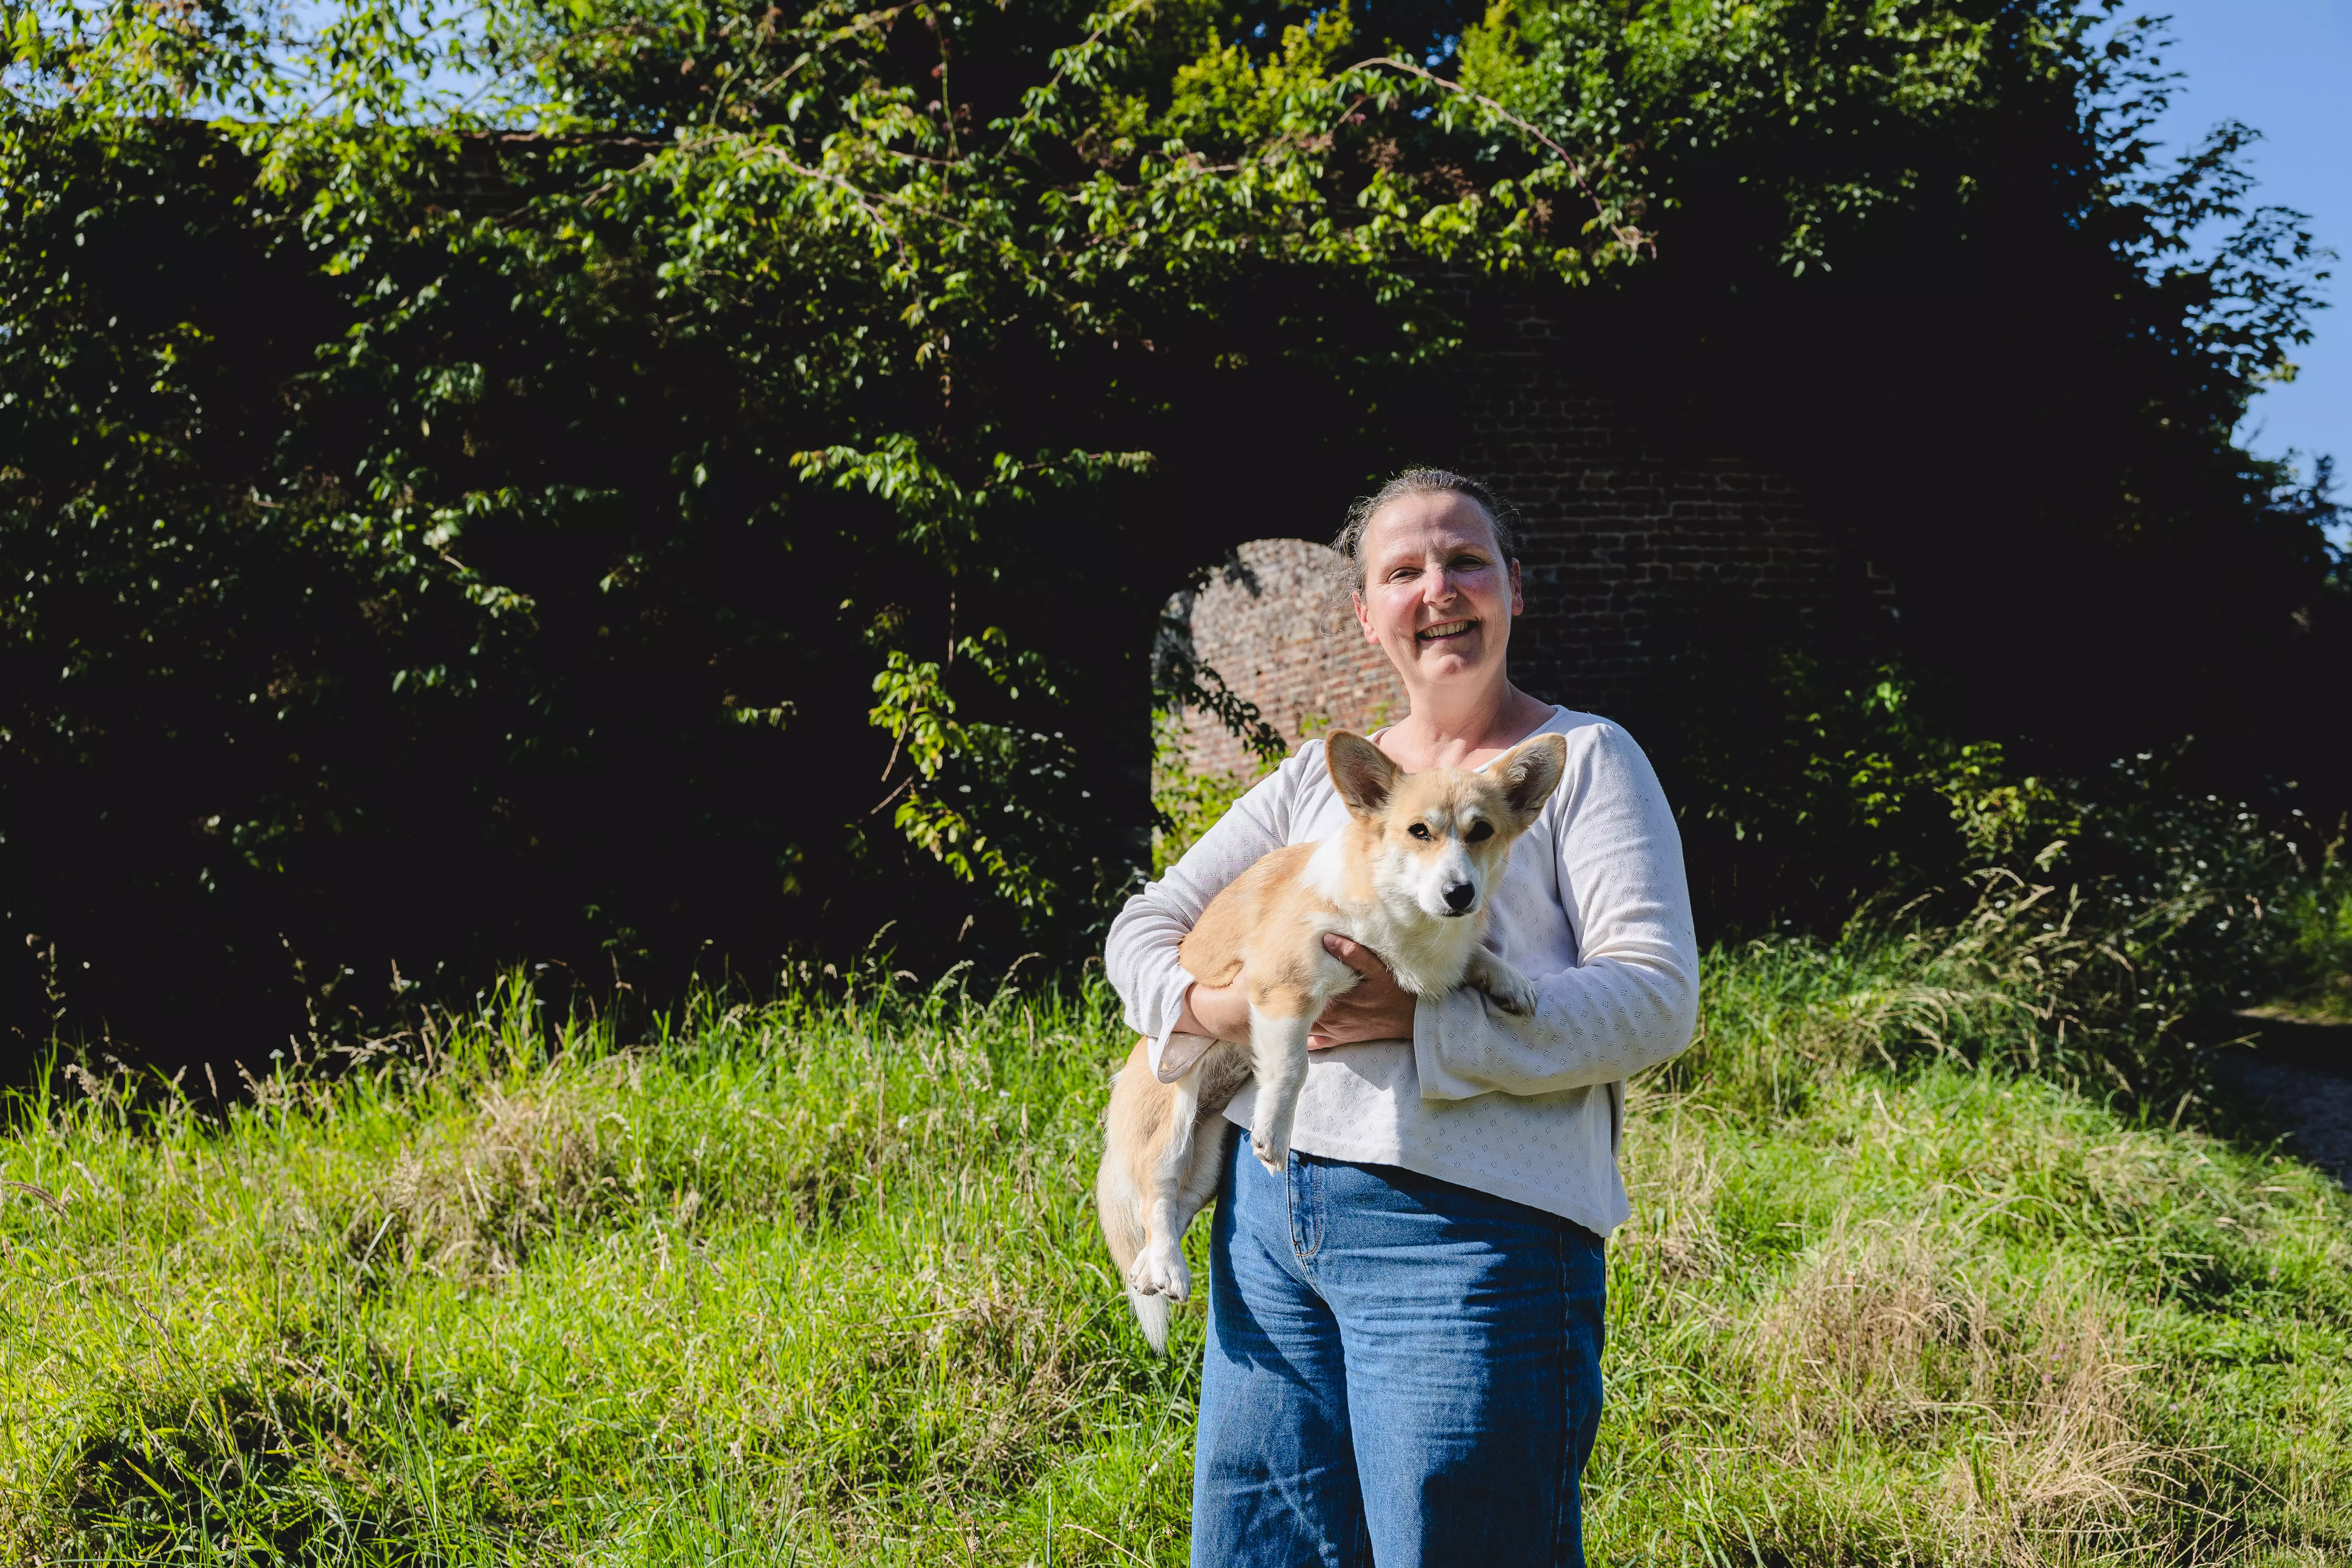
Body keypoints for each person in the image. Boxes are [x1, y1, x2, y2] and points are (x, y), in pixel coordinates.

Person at [1103, 469, 1700, 1567]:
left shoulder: (1584, 765)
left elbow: (1658, 999)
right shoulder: (1321, 786)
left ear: (1515, 590)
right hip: (1270, 1233)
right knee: (1257, 1552)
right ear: (1366, 613)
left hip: (1477, 1240)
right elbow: (1141, 929)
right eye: (1404, 571)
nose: (1439, 589)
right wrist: (1221, 1008)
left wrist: (1419, 1026)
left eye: (1467, 561)